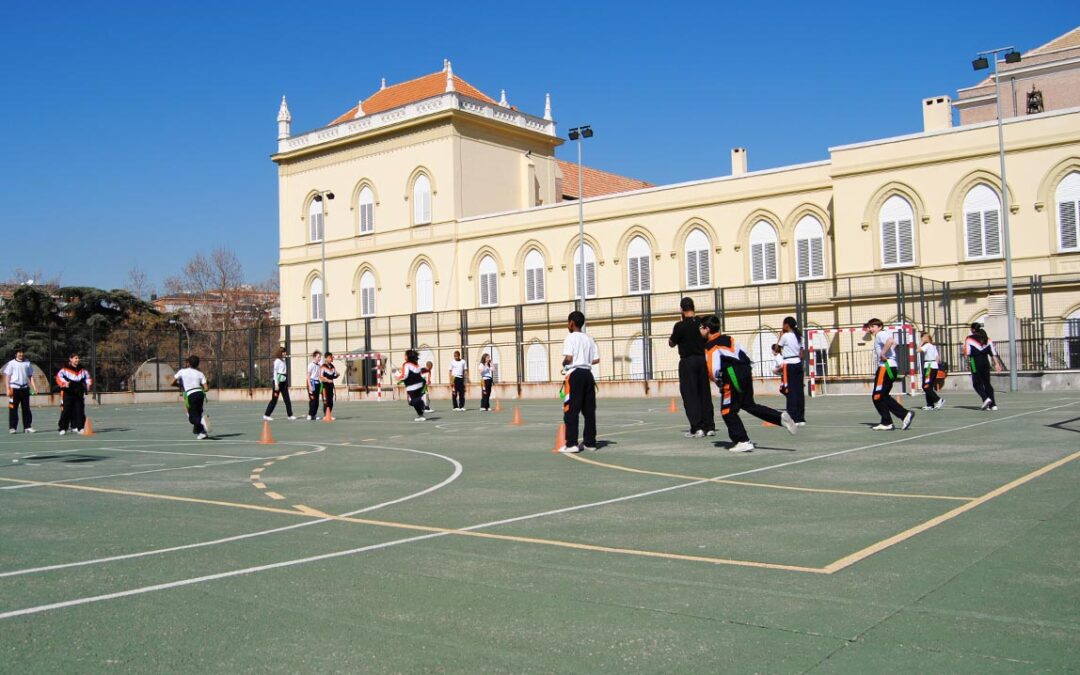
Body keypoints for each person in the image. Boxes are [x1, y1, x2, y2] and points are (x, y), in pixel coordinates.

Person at [701, 316, 796, 452]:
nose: (699, 330)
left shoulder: (711, 345)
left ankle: (742, 441)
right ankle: (780, 417)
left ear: (707, 329)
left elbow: (713, 369)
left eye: (700, 327)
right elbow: (745, 353)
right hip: (745, 370)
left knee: (727, 411)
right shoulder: (729, 339)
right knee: (749, 404)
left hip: (732, 374)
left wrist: (719, 383)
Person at [668, 297, 715, 438]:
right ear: (693, 308)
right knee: (704, 393)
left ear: (681, 309)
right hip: (702, 359)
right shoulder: (701, 322)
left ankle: (697, 427)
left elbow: (671, 343)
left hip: (687, 361)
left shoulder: (679, 326)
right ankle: (709, 426)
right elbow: (708, 336)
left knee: (690, 395)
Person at [559, 310, 600, 453]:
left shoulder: (570, 338)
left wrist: (564, 363)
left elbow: (569, 358)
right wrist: (584, 360)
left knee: (571, 410)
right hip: (588, 375)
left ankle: (571, 444)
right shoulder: (589, 339)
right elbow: (596, 359)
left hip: (574, 374)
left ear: (571, 323)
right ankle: (590, 443)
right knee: (589, 411)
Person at [864, 319, 915, 431]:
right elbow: (895, 342)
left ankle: (902, 415)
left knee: (877, 396)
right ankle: (888, 421)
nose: (871, 329)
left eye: (873, 326)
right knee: (883, 395)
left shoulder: (880, 335)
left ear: (880, 326)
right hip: (891, 367)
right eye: (870, 327)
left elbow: (891, 341)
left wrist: (882, 353)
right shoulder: (885, 333)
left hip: (885, 368)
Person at [965, 322, 1003, 410]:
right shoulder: (987, 339)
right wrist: (997, 364)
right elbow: (993, 353)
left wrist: (968, 363)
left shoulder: (969, 338)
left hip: (974, 362)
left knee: (976, 383)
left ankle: (985, 398)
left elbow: (967, 353)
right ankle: (993, 405)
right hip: (986, 362)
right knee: (987, 383)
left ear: (973, 329)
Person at [171, 355, 209, 439]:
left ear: (188, 363)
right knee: (198, 414)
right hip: (200, 393)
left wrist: (181, 386)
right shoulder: (200, 373)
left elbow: (172, 382)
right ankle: (202, 432)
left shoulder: (182, 371)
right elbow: (206, 388)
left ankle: (202, 421)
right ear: (197, 364)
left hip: (191, 395)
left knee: (192, 418)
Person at [55, 353, 93, 435]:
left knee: (79, 410)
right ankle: (63, 428)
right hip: (68, 392)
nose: (77, 360)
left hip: (79, 391)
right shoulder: (65, 369)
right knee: (66, 410)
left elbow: (88, 378)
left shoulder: (82, 369)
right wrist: (64, 383)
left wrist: (88, 384)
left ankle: (80, 427)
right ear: (71, 359)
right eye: (75, 358)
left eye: (78, 358)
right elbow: (58, 377)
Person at [779, 317, 806, 426]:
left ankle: (792, 417)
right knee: (799, 391)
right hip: (798, 363)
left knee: (790, 391)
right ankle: (800, 418)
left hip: (789, 364)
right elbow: (802, 353)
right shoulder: (799, 336)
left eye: (783, 324)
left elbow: (777, 349)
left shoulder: (785, 336)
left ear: (786, 325)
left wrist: (780, 336)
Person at [3, 347, 36, 434]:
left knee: (26, 408)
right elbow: (7, 377)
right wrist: (7, 389)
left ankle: (27, 427)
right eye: (19, 353)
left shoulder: (27, 363)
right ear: (16, 354)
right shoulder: (11, 363)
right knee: (13, 409)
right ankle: (13, 427)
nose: (21, 354)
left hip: (25, 389)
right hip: (14, 389)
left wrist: (34, 387)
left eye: (22, 352)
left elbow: (30, 375)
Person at [264, 347, 296, 421]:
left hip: (284, 382)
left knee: (287, 399)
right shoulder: (277, 361)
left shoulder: (284, 360)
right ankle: (266, 415)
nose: (285, 353)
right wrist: (276, 384)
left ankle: (290, 415)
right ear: (280, 353)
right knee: (274, 399)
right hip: (278, 382)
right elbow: (275, 373)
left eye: (285, 352)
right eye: (283, 352)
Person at [398, 350, 429, 421]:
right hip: (420, 385)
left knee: (412, 402)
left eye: (405, 355)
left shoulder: (406, 364)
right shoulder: (416, 364)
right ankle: (421, 415)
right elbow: (419, 372)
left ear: (408, 356)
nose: (404, 356)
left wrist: (398, 377)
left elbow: (405, 375)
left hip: (412, 386)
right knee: (416, 402)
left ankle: (422, 399)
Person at [919, 332, 944, 411]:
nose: (921, 339)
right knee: (929, 386)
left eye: (922, 337)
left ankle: (938, 400)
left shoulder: (927, 345)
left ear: (926, 338)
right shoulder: (933, 346)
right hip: (934, 366)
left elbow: (918, 350)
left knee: (925, 386)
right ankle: (930, 404)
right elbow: (937, 358)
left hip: (929, 366)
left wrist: (920, 343)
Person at [319, 352, 338, 420]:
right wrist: (327, 380)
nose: (331, 359)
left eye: (331, 357)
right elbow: (321, 377)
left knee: (331, 401)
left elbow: (335, 375)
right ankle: (325, 415)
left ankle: (329, 414)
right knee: (326, 401)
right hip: (324, 386)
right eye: (329, 358)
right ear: (326, 358)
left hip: (331, 386)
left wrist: (337, 375)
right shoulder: (323, 367)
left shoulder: (332, 367)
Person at [306, 351, 322, 420]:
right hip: (312, 383)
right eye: (318, 357)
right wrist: (310, 386)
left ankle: (314, 415)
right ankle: (310, 415)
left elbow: (319, 375)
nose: (319, 358)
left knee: (317, 401)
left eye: (320, 357)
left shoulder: (318, 365)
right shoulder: (310, 365)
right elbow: (308, 376)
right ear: (314, 357)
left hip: (317, 383)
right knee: (312, 400)